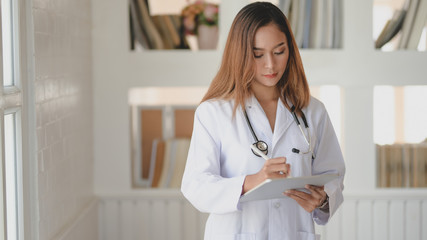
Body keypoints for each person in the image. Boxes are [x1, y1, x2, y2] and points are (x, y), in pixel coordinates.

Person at [181, 2, 345, 239]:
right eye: (257, 54)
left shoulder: (313, 111)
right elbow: (195, 186)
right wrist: (251, 181)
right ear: (240, 53)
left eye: (279, 51)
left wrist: (322, 199)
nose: (270, 64)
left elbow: (334, 174)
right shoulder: (213, 113)